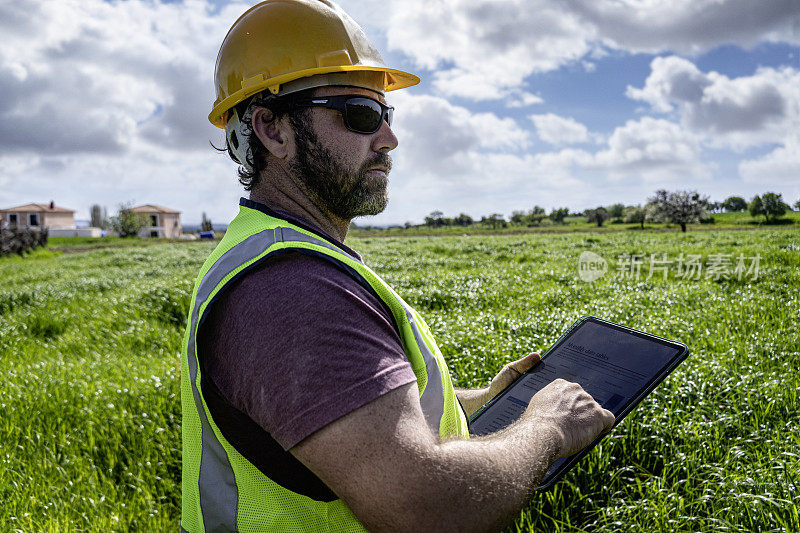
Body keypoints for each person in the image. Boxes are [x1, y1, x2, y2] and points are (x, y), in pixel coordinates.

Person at [180, 1, 615, 531]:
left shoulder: (279, 255)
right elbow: (427, 508)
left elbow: (352, 415)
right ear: (272, 130)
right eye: (360, 114)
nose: (388, 139)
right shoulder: (290, 289)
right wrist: (547, 426)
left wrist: (487, 400)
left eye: (387, 115)